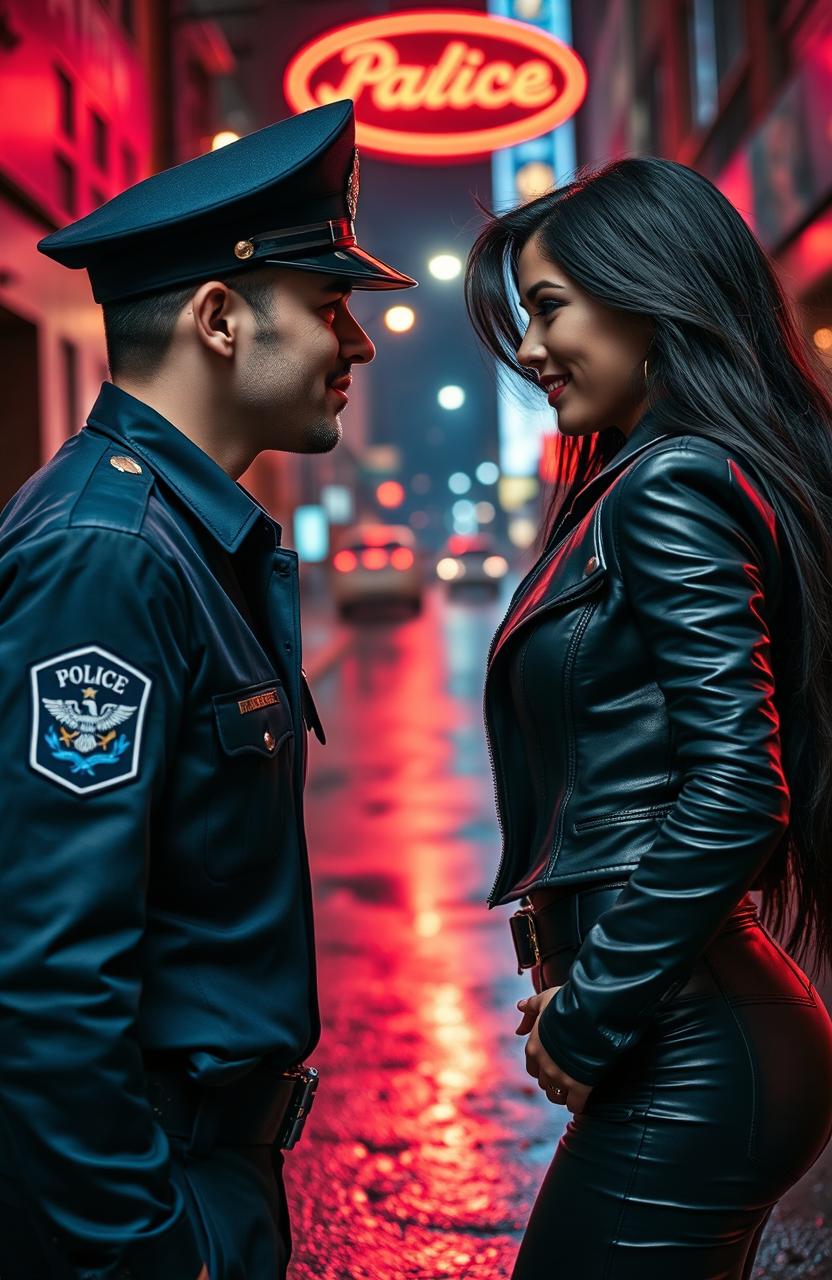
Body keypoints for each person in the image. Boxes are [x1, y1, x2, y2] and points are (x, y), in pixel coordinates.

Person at [0, 99, 415, 1280]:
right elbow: (43, 975)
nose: (360, 343)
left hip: (207, 1178)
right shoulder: (111, 553)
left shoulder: (180, 537)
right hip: (154, 1207)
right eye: (330, 305)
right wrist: (145, 1251)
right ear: (219, 318)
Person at [465, 156, 832, 1278]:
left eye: (548, 308)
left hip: (689, 1044)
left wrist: (587, 1011)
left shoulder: (672, 482)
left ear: (649, 288)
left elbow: (736, 784)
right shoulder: (648, 476)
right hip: (683, 1031)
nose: (528, 351)